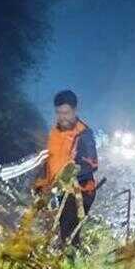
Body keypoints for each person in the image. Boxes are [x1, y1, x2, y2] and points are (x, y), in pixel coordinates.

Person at [36, 89, 99, 244]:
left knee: (68, 229)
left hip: (81, 190)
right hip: (59, 191)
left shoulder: (84, 134)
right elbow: (49, 162)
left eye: (66, 113)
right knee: (54, 228)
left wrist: (70, 175)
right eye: (59, 113)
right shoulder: (54, 133)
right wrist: (41, 185)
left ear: (74, 110)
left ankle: (71, 262)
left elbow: (92, 163)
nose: (63, 117)